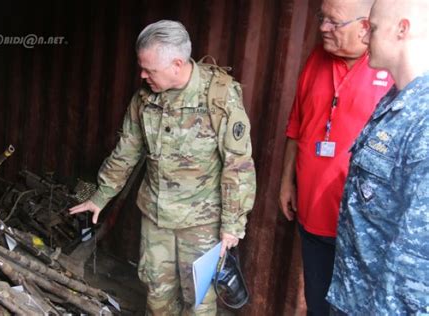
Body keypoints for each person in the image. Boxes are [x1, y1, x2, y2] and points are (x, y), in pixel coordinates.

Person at [69, 20, 256, 315]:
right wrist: (100, 197)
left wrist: (233, 226)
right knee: (156, 296)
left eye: (149, 69)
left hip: (202, 222)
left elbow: (238, 164)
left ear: (177, 64)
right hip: (156, 218)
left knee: (198, 302)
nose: (142, 75)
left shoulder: (219, 97)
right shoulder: (144, 98)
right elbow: (126, 150)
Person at [278, 0, 393, 314]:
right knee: (317, 302)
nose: (322, 28)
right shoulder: (317, 57)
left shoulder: (391, 71)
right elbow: (297, 123)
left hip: (358, 227)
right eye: (322, 18)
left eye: (333, 22)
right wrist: (287, 181)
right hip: (312, 214)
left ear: (365, 26)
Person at [327, 0, 429, 314]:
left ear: (402, 29)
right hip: (353, 296)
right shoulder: (396, 99)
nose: (365, 38)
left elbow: (418, 263)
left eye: (371, 29)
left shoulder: (424, 120)